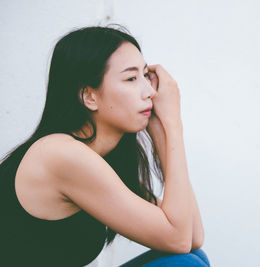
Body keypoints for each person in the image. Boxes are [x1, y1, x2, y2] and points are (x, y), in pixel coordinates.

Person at [0, 24, 210, 267]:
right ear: (89, 96)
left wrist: (163, 133)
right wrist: (173, 124)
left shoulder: (105, 157)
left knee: (192, 259)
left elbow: (193, 237)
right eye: (131, 78)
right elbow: (178, 239)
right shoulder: (61, 154)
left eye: (145, 76)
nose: (150, 91)